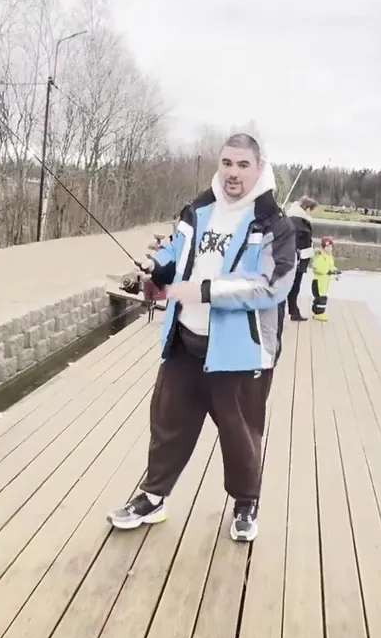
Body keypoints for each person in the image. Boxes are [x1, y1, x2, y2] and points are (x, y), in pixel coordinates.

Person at [107, 133, 296, 543]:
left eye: (243, 165)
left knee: (241, 436)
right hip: (185, 340)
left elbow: (272, 286)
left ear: (259, 169)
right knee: (167, 423)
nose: (233, 173)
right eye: (227, 163)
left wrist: (207, 292)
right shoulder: (198, 209)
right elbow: (177, 250)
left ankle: (245, 503)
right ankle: (154, 497)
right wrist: (157, 267)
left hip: (241, 353)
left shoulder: (275, 225)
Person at [283, 195, 319, 321]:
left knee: (289, 286)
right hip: (296, 261)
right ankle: (293, 312)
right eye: (313, 210)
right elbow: (298, 243)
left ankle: (292, 311)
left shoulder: (293, 218)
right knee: (293, 286)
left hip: (293, 259)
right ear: (307, 209)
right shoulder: (300, 222)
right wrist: (299, 260)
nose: (313, 214)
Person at [310, 236, 340, 321]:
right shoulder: (320, 256)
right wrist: (327, 271)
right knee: (321, 298)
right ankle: (319, 313)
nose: (330, 248)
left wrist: (335, 271)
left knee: (321, 297)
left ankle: (317, 313)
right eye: (327, 246)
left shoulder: (329, 256)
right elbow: (317, 267)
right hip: (318, 282)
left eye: (331, 246)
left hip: (324, 282)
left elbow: (330, 266)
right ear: (323, 247)